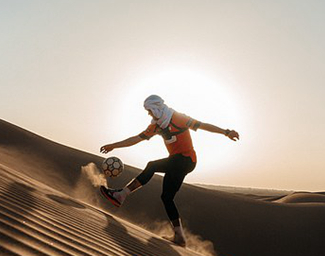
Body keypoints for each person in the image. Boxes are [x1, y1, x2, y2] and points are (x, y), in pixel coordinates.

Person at [100, 94, 239, 247]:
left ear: (156, 108)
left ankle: (121, 195)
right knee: (166, 197)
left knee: (152, 165)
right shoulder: (156, 126)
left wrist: (226, 132)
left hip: (187, 160)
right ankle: (180, 237)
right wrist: (113, 145)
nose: (149, 114)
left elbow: (203, 125)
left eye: (150, 111)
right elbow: (136, 139)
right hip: (177, 162)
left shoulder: (178, 118)